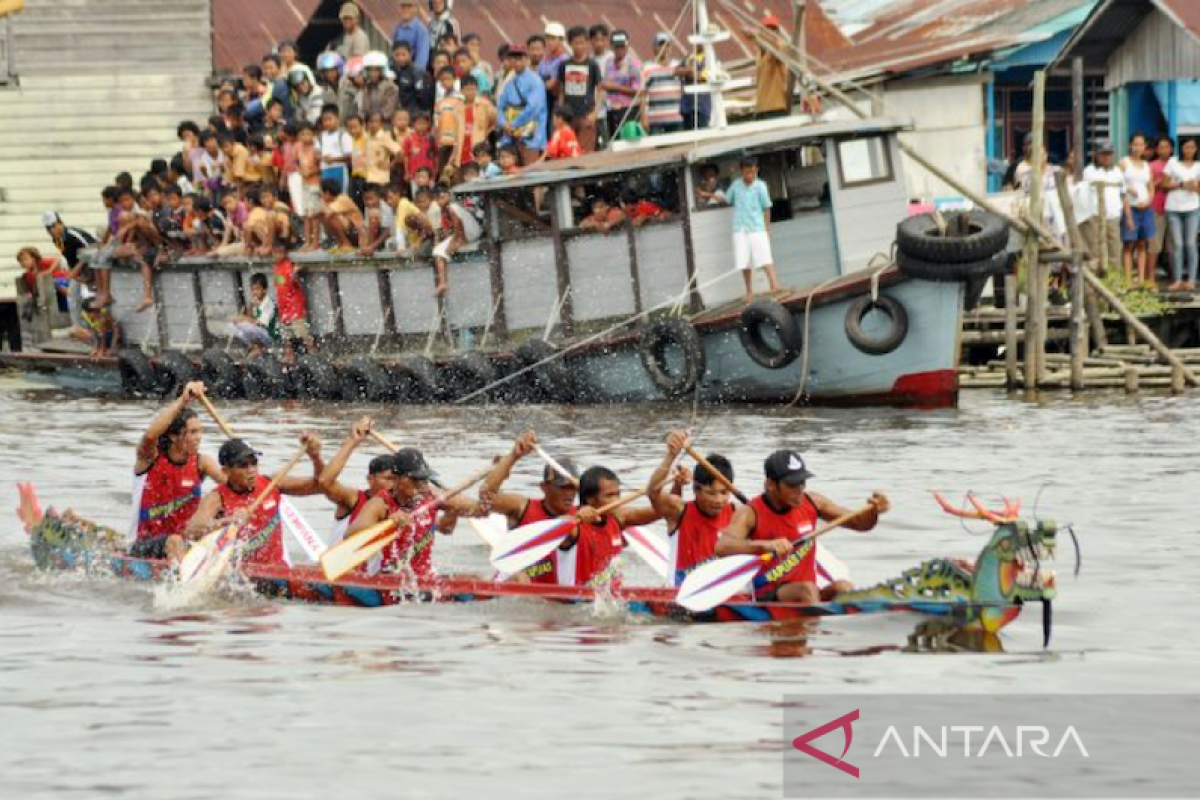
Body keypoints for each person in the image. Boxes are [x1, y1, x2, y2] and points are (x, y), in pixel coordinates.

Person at [714, 450, 888, 603]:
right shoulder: (750, 512)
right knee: (807, 590)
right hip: (767, 592)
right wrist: (764, 545)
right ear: (771, 485)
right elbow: (722, 547)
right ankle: (818, 634)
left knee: (844, 587)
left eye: (802, 482)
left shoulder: (813, 502)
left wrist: (874, 512)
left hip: (808, 591)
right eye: (792, 485)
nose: (799, 490)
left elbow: (860, 524)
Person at [183, 435, 324, 567]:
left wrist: (316, 457)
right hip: (241, 576)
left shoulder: (272, 483)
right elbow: (190, 532)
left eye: (254, 463)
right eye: (243, 465)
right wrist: (228, 521)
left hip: (276, 571)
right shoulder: (216, 498)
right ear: (226, 471)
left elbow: (321, 485)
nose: (251, 470)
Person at [344, 448, 479, 579]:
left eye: (424, 479)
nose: (421, 485)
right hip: (390, 578)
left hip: (424, 576)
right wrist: (390, 522)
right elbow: (349, 536)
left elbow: (448, 527)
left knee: (474, 579)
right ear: (396, 479)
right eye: (416, 479)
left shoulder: (431, 495)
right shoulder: (381, 503)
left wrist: (454, 507)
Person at [129, 381, 226, 562]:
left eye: (200, 431)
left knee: (223, 512)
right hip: (144, 544)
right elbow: (150, 435)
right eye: (192, 432)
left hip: (187, 542)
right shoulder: (149, 458)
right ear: (174, 436)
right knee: (174, 540)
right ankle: (185, 587)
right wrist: (183, 400)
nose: (199, 438)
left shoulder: (201, 462)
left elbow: (232, 485)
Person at [480, 430, 578, 584]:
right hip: (513, 587)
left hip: (554, 597)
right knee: (520, 579)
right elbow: (486, 498)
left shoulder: (584, 514)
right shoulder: (522, 508)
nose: (569, 493)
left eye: (573, 487)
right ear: (543, 487)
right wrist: (513, 456)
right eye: (562, 487)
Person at [647, 430, 734, 586]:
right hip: (679, 594)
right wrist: (671, 456)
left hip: (718, 590)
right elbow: (653, 492)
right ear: (696, 490)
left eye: (724, 492)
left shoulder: (736, 512)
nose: (719, 500)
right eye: (711, 493)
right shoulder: (678, 510)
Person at [557, 466, 661, 587]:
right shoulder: (574, 526)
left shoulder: (619, 517)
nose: (617, 500)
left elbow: (662, 510)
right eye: (609, 495)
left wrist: (676, 486)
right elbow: (557, 525)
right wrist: (576, 516)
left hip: (611, 598)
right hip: (577, 602)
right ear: (590, 500)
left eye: (618, 494)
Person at [317, 417, 399, 541]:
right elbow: (325, 481)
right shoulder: (353, 499)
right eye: (388, 478)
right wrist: (353, 441)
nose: (393, 484)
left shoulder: (402, 506)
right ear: (370, 479)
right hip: (340, 558)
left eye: (396, 479)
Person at [728, 157, 781, 302]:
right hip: (740, 228)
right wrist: (710, 195)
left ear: (757, 170)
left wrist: (767, 230)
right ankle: (749, 291)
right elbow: (727, 199)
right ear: (741, 171)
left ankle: (774, 285)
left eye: (752, 172)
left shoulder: (761, 186)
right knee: (743, 261)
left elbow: (767, 208)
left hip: (757, 227)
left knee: (765, 257)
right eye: (746, 172)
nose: (749, 175)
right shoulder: (736, 186)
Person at [497, 44, 548, 165]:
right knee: (511, 173)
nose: (516, 61)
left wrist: (513, 124)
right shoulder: (509, 82)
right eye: (512, 58)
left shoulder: (535, 81)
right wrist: (503, 123)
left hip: (531, 138)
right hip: (511, 137)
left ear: (526, 59)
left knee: (531, 174)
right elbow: (500, 106)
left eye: (519, 58)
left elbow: (533, 109)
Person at [1081, 139, 1125, 274]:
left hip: (1113, 216)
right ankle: (1096, 282)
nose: (1107, 157)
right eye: (1103, 154)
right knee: (1096, 250)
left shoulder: (1118, 171)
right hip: (1095, 216)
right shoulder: (1089, 171)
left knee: (1115, 250)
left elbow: (1123, 194)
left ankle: (1114, 282)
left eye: (1109, 154)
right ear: (1096, 155)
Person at [431, 184, 484, 295]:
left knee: (444, 249)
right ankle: (443, 282)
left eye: (442, 197)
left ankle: (443, 282)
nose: (440, 201)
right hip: (460, 235)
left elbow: (458, 224)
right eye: (437, 199)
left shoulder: (453, 206)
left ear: (448, 196)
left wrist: (457, 240)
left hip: (470, 232)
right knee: (437, 251)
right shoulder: (443, 211)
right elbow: (446, 230)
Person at [1164, 136, 1200, 291]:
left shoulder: (1198, 166)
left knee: (1191, 244)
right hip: (1173, 208)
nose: (1189, 150)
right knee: (1177, 245)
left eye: (1192, 147)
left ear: (1196, 149)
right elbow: (1164, 184)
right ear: (1181, 148)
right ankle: (1177, 279)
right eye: (1186, 147)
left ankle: (1191, 279)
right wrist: (1181, 184)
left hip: (1192, 208)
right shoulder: (1173, 162)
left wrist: (1194, 187)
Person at [557, 26, 601, 153]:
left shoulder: (592, 65)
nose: (579, 46)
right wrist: (560, 114)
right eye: (576, 43)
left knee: (585, 151)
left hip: (586, 115)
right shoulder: (564, 65)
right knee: (567, 150)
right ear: (570, 43)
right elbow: (561, 90)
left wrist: (595, 112)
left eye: (582, 43)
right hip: (569, 116)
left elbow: (600, 89)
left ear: (587, 43)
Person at [1120, 133, 1156, 287]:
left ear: (1145, 147)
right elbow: (1118, 183)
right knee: (1129, 244)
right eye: (1135, 144)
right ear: (1130, 145)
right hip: (1130, 207)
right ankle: (1128, 280)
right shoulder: (1124, 163)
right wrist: (1128, 188)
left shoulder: (1147, 166)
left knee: (1143, 244)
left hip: (1145, 208)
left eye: (1141, 145)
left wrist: (1149, 200)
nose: (1137, 148)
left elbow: (1151, 187)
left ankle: (1141, 279)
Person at [272, 242, 314, 360]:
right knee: (286, 338)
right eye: (275, 253)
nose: (277, 256)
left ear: (285, 253)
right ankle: (289, 357)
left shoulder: (288, 266)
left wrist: (295, 273)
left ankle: (314, 355)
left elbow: (294, 278)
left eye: (280, 253)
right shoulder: (276, 267)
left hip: (295, 308)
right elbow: (279, 286)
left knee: (303, 335)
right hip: (283, 309)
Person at [641, 33, 683, 135]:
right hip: (655, 121)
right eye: (661, 45)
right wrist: (644, 116)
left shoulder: (679, 66)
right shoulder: (647, 68)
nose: (664, 48)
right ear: (654, 49)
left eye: (667, 45)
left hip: (676, 118)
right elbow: (643, 94)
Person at [752, 14, 789, 119]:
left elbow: (780, 48)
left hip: (775, 108)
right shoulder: (760, 53)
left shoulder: (780, 47)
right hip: (761, 109)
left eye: (772, 30)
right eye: (766, 30)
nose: (769, 33)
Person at [231, 272, 278, 354]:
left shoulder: (268, 304)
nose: (254, 292)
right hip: (261, 333)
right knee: (233, 326)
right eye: (252, 289)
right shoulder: (256, 302)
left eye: (257, 289)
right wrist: (250, 306)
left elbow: (261, 324)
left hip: (270, 336)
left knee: (245, 325)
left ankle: (258, 348)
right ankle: (254, 347)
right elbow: (252, 318)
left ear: (265, 290)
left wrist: (244, 318)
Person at [434, 67, 466, 182]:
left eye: (448, 79)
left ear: (455, 80)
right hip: (443, 143)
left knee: (453, 175)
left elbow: (460, 126)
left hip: (454, 143)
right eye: (442, 80)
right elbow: (437, 123)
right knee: (443, 176)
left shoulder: (459, 100)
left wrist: (457, 149)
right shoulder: (440, 101)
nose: (445, 82)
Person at [1149, 135, 1174, 283]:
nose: (1163, 150)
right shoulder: (1152, 166)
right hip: (1156, 209)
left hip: (1175, 210)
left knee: (1173, 246)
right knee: (1154, 245)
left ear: (1171, 149)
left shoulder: (1177, 164)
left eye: (1166, 147)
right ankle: (1150, 278)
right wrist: (1161, 182)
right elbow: (1148, 185)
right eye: (1160, 147)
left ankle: (1174, 277)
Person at [393, 41, 434, 116]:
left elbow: (423, 97)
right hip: (402, 114)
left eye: (403, 54)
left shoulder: (417, 73)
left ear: (410, 54)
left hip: (416, 115)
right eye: (397, 55)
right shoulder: (394, 71)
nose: (400, 58)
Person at [391, 0, 431, 73]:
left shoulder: (421, 30)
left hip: (412, 73)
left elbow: (422, 58)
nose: (406, 10)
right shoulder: (397, 28)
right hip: (397, 71)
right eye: (403, 7)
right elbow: (393, 52)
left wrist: (416, 75)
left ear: (415, 8)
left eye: (409, 6)